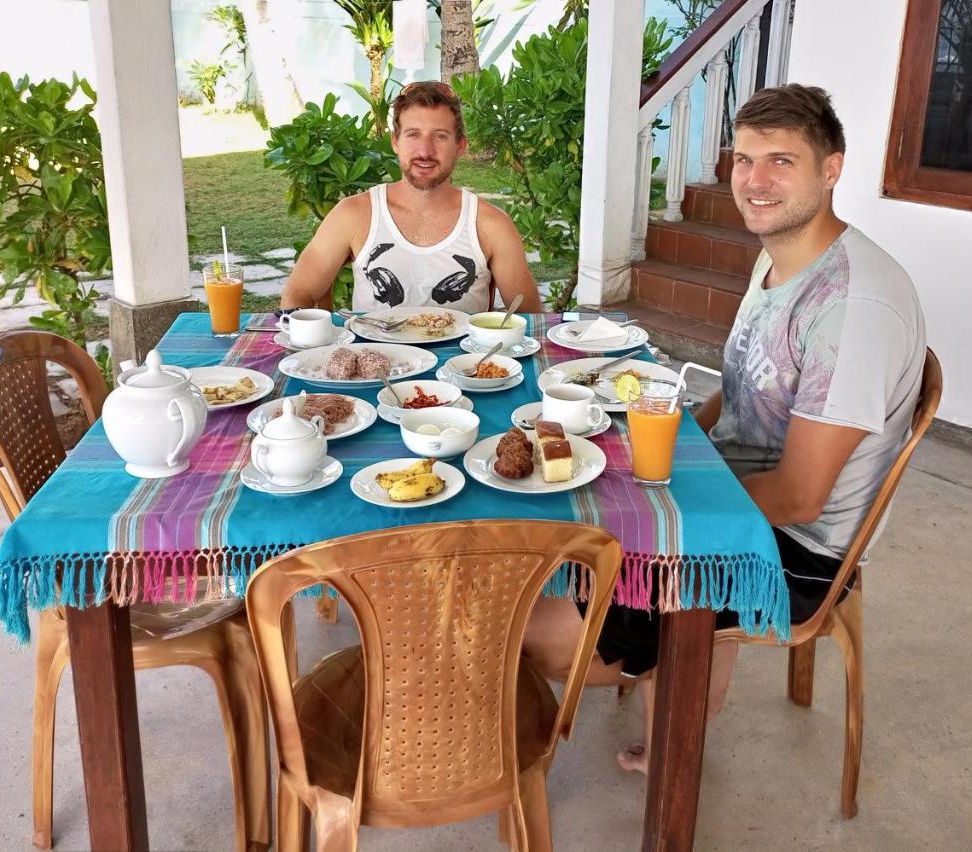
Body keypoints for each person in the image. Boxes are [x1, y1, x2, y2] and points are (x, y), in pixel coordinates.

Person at [523, 84, 927, 773]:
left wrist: (655, 504)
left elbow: (800, 498)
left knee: (534, 637)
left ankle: (674, 685)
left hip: (790, 551)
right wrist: (663, 436)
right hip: (736, 495)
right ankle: (675, 699)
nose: (755, 181)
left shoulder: (852, 307)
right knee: (545, 520)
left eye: (781, 161)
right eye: (743, 159)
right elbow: (736, 397)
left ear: (832, 169)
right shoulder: (781, 252)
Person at [280, 81, 540, 313]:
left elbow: (529, 317)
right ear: (395, 142)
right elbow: (299, 292)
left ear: (460, 145)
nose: (425, 151)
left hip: (463, 366)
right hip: (374, 363)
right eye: (413, 134)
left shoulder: (491, 225)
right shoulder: (354, 214)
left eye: (440, 136)